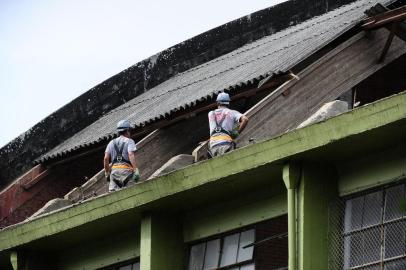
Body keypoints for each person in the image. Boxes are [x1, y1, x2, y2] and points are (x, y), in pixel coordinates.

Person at [208, 92, 249, 157]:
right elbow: (245, 119)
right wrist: (237, 133)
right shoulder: (232, 112)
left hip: (213, 145)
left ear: (218, 103)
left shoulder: (210, 114)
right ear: (228, 103)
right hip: (226, 143)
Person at [104, 119, 140, 192]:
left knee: (113, 195)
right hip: (126, 172)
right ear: (127, 130)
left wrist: (107, 172)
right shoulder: (129, 141)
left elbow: (106, 158)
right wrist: (136, 170)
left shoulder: (111, 142)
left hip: (114, 173)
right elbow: (130, 154)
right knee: (132, 192)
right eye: (129, 130)